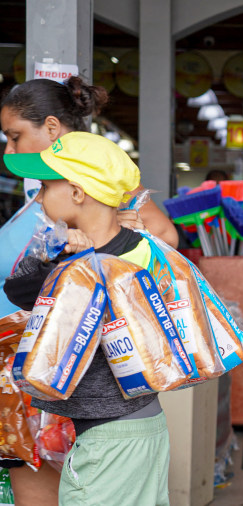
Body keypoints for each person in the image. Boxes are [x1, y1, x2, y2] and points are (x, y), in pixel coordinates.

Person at [0, 76, 175, 504]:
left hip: (98, 418)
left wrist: (88, 258)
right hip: (93, 415)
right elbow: (21, 287)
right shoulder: (68, 246)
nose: (39, 200)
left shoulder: (106, 259)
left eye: (14, 137)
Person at [1, 76, 178, 248]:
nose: (9, 150)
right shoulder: (48, 179)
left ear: (51, 128)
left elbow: (166, 236)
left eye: (16, 137)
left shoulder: (98, 171)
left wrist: (108, 230)